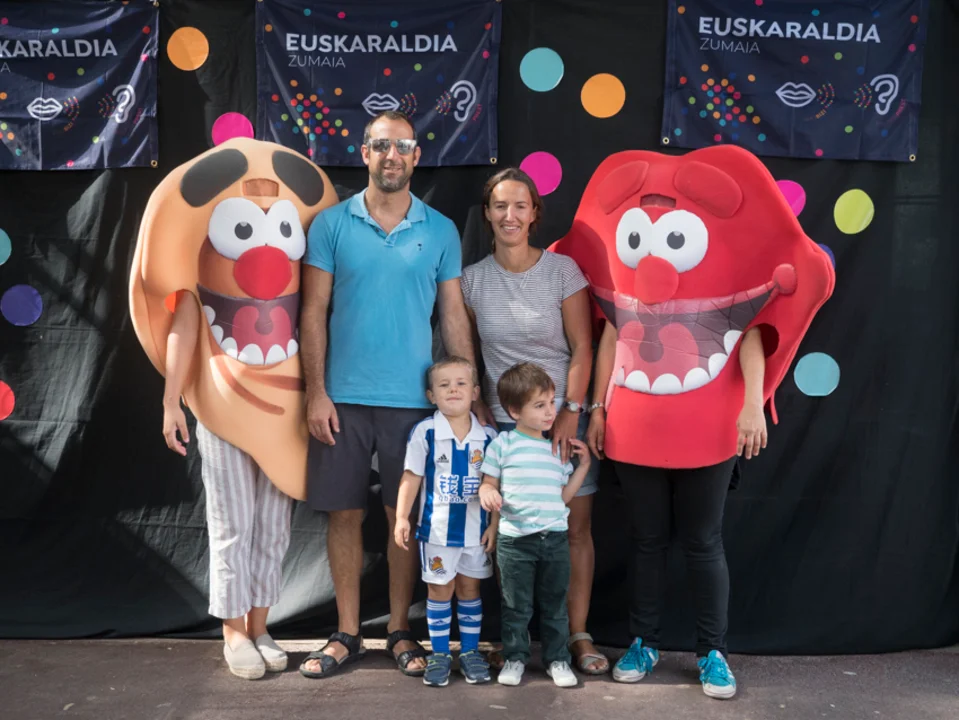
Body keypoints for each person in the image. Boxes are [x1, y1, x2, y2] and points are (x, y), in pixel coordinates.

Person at [298, 110, 477, 679]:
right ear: (365, 153)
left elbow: (453, 314)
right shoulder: (330, 224)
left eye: (401, 146)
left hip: (416, 404)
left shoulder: (440, 229)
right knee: (344, 514)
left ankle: (400, 630)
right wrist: (316, 392)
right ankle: (347, 633)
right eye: (381, 146)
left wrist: (467, 396)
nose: (391, 156)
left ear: (416, 156)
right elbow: (312, 312)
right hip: (342, 399)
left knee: (405, 517)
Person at [461, 167, 608, 675]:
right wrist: (477, 399)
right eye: (500, 206)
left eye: (520, 206)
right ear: (487, 213)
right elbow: (470, 349)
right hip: (505, 428)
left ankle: (578, 636)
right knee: (513, 536)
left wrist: (571, 410)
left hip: (563, 421)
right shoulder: (472, 280)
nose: (510, 215)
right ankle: (517, 642)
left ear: (534, 214)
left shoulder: (562, 272)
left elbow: (583, 347)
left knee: (574, 530)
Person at [162, 296, 291, 680]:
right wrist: (170, 401)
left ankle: (259, 626)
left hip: (283, 408)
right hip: (222, 406)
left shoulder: (293, 266)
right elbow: (184, 325)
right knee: (232, 524)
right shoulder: (203, 270)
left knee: (273, 524)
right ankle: (234, 632)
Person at [478, 362, 592, 688]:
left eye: (552, 402)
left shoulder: (556, 450)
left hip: (554, 539)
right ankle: (516, 658)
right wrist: (488, 494)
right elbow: (488, 483)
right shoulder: (503, 444)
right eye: (539, 405)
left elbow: (563, 497)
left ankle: (558, 660)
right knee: (516, 606)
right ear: (514, 411)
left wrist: (583, 466)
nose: (550, 412)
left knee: (556, 605)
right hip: (515, 541)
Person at [393, 357, 498, 687]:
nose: (453, 389)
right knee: (439, 590)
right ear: (431, 395)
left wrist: (494, 525)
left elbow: (497, 484)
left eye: (461, 383)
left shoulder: (488, 436)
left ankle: (469, 652)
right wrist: (401, 517)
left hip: (476, 533)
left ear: (475, 392)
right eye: (444, 384)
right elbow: (411, 476)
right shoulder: (425, 432)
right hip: (437, 532)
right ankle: (439, 654)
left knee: (470, 590)